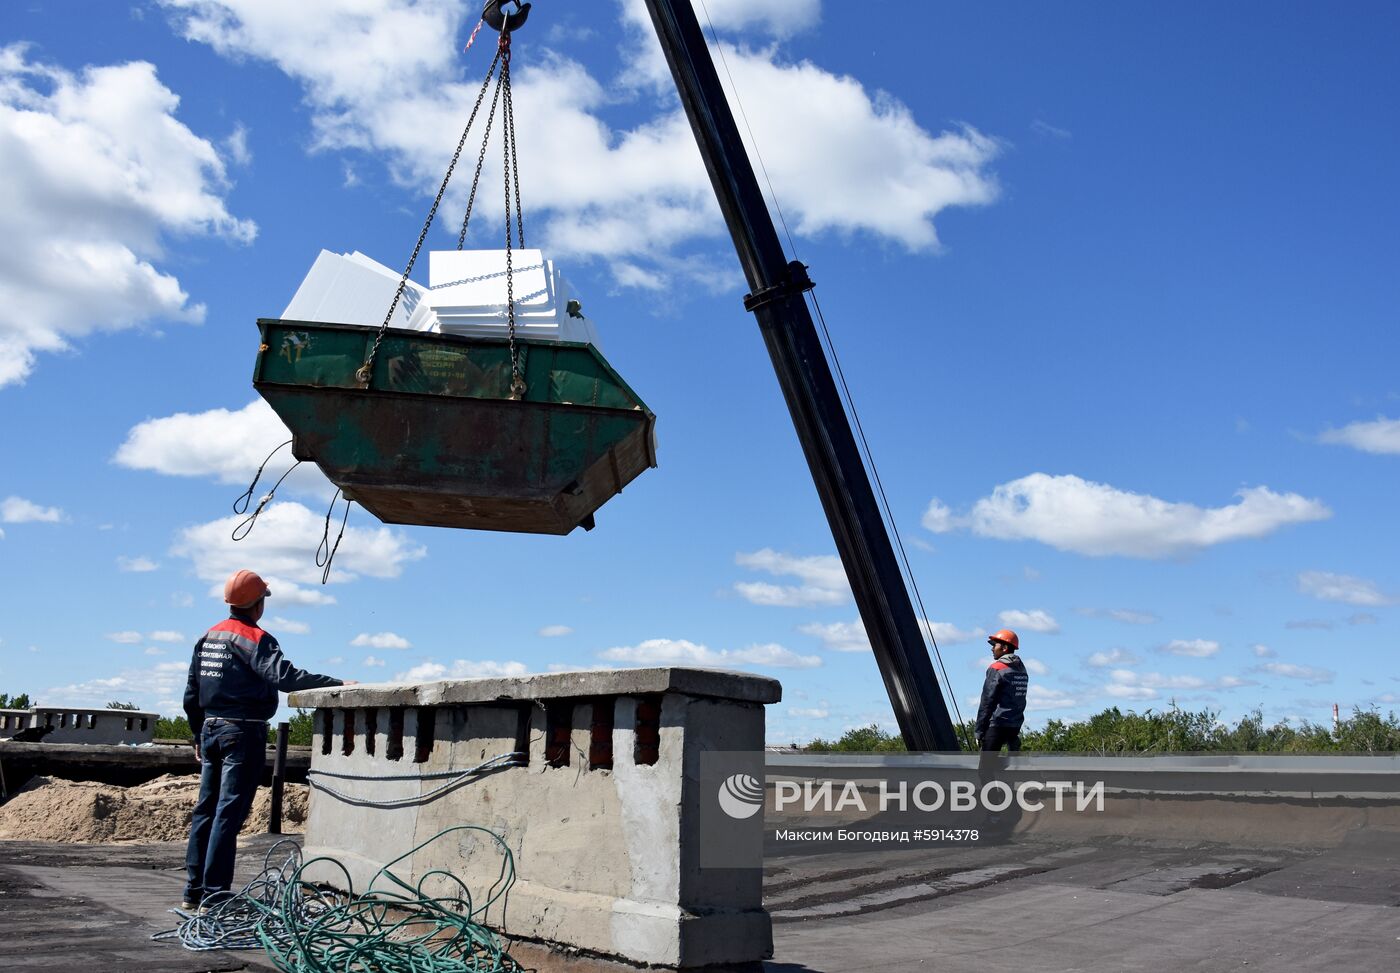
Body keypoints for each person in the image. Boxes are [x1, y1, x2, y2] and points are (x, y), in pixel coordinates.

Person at [181, 569, 352, 910]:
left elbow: (191, 692)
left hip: (211, 729)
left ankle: (193, 891)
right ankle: (214, 894)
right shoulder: (255, 638)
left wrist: (197, 733)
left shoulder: (208, 637)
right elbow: (284, 677)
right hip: (242, 732)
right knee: (228, 813)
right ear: (258, 604)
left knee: (206, 811)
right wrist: (336, 683)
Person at [975, 628, 1028, 753]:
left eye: (995, 645)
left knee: (986, 770)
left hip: (997, 726)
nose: (992, 649)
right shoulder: (1022, 669)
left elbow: (987, 701)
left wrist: (979, 731)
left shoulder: (997, 668)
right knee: (1011, 768)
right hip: (1015, 727)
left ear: (1004, 648)